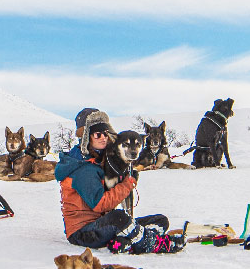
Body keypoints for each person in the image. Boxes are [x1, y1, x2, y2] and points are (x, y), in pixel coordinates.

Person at [54, 108, 180, 254]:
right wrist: (127, 184)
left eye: (106, 134)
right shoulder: (82, 167)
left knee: (160, 220)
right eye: (97, 134)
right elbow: (100, 204)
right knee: (119, 218)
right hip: (82, 232)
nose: (103, 138)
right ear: (87, 137)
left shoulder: (100, 160)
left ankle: (123, 242)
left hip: (101, 224)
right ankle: (152, 243)